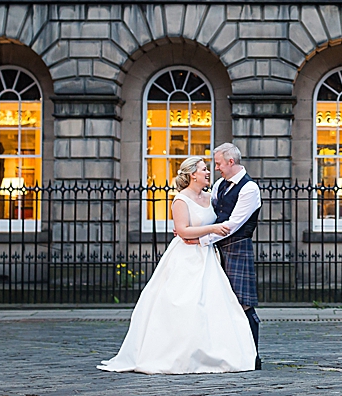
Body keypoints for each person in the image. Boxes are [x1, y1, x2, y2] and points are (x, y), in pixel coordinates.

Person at [97, 156, 257, 374]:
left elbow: (216, 220)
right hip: (186, 256)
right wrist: (210, 229)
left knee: (211, 306)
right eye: (204, 169)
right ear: (193, 175)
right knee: (181, 304)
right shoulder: (180, 199)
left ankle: (208, 351)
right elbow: (182, 230)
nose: (209, 171)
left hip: (207, 255)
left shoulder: (211, 197)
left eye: (209, 168)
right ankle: (177, 353)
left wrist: (207, 232)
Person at [194, 142, 263, 370]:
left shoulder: (249, 189)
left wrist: (199, 239)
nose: (216, 168)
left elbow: (232, 225)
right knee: (218, 303)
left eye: (219, 164)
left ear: (230, 162)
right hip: (216, 249)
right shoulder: (219, 186)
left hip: (237, 249)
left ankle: (252, 357)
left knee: (243, 305)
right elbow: (211, 216)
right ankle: (227, 355)